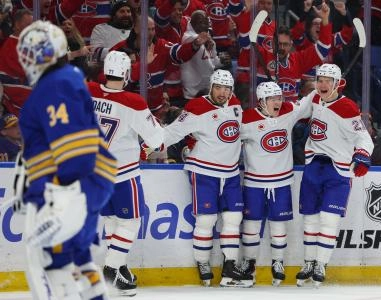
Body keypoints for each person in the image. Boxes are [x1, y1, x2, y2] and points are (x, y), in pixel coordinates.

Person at [16, 20, 117, 299]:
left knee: (55, 263)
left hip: (74, 184)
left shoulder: (56, 85)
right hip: (82, 182)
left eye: (34, 51)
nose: (28, 58)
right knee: (78, 257)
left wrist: (61, 194)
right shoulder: (62, 81)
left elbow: (76, 152)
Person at [162, 69, 252, 287]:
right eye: (219, 87)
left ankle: (229, 266)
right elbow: (173, 132)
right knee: (206, 220)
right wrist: (149, 144)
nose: (223, 93)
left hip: (230, 173)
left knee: (233, 219)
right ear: (211, 86)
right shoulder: (196, 107)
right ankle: (203, 263)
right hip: (204, 171)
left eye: (227, 88)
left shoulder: (235, 104)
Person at [88, 50, 164, 296]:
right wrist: (146, 147)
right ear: (127, 73)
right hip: (122, 173)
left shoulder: (87, 91)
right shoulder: (133, 102)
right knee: (132, 222)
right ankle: (110, 270)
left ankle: (120, 273)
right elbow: (157, 138)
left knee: (111, 221)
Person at [296, 63, 374, 287]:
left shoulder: (348, 107)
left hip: (338, 170)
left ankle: (321, 264)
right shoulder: (313, 97)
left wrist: (362, 155)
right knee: (310, 219)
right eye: (319, 80)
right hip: (313, 165)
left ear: (338, 83)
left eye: (327, 81)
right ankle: (308, 262)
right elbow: (295, 111)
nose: (322, 84)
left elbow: (363, 137)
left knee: (328, 220)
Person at [239, 81, 313, 286]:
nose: (277, 102)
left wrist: (322, 85)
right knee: (251, 225)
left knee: (278, 224)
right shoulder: (247, 118)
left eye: (279, 98)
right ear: (262, 101)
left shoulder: (288, 111)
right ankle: (249, 263)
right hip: (254, 182)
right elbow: (229, 139)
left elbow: (307, 102)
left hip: (281, 181)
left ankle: (278, 262)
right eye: (272, 99)